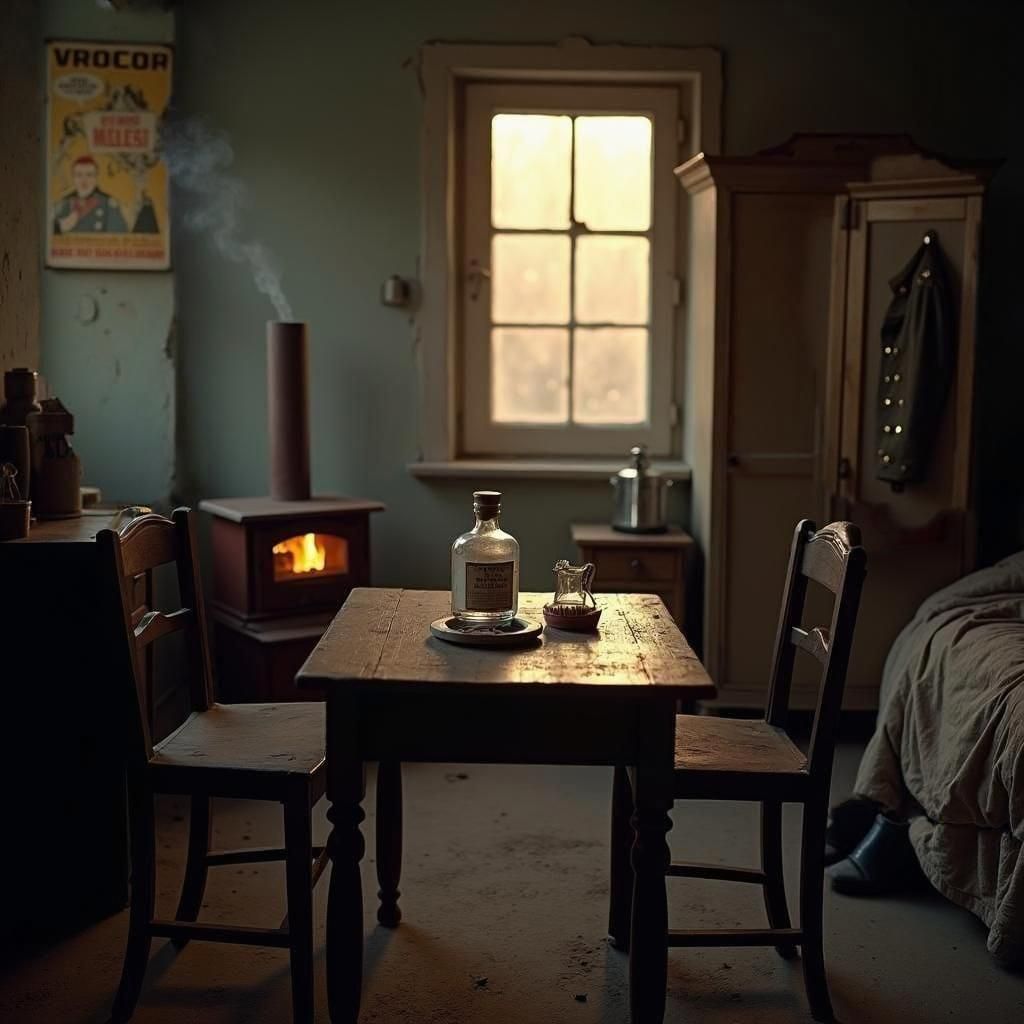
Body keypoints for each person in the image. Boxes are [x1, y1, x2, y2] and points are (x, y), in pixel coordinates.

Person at [53, 155, 127, 234]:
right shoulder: (65, 203)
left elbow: (118, 236)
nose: (84, 180)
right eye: (79, 175)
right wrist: (59, 227)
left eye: (89, 175)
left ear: (96, 177)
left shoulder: (108, 204)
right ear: (73, 178)